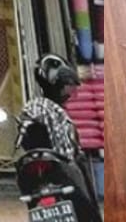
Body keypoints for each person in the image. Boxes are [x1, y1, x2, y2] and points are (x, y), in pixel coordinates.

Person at [19, 53, 100, 220]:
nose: (68, 93)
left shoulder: (33, 107)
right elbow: (70, 152)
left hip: (38, 175)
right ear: (55, 84)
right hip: (60, 170)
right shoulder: (55, 113)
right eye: (65, 87)